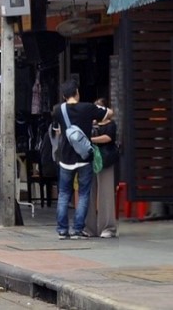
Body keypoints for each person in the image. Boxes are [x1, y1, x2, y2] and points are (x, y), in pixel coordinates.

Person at [53, 81, 107, 240]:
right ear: (77, 93)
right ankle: (77, 230)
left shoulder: (58, 109)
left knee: (63, 194)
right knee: (83, 194)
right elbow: (108, 113)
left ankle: (62, 231)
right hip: (84, 157)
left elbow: (58, 132)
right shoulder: (88, 108)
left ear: (63, 96)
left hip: (66, 158)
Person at [87, 99, 120, 238]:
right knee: (89, 192)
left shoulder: (111, 125)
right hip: (92, 158)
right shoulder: (91, 124)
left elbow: (108, 138)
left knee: (106, 193)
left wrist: (91, 139)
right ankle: (89, 228)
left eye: (100, 108)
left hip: (106, 159)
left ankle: (108, 227)